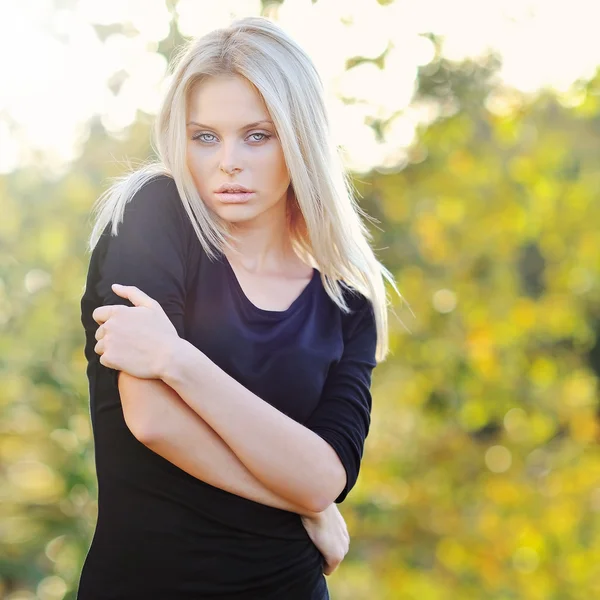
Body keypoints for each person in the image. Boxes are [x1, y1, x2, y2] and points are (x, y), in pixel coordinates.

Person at [78, 15, 401, 600]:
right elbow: (152, 420)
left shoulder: (346, 302)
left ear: (300, 138)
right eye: (206, 136)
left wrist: (178, 360)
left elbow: (327, 475)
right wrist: (303, 504)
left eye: (258, 135)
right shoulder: (154, 216)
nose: (228, 161)